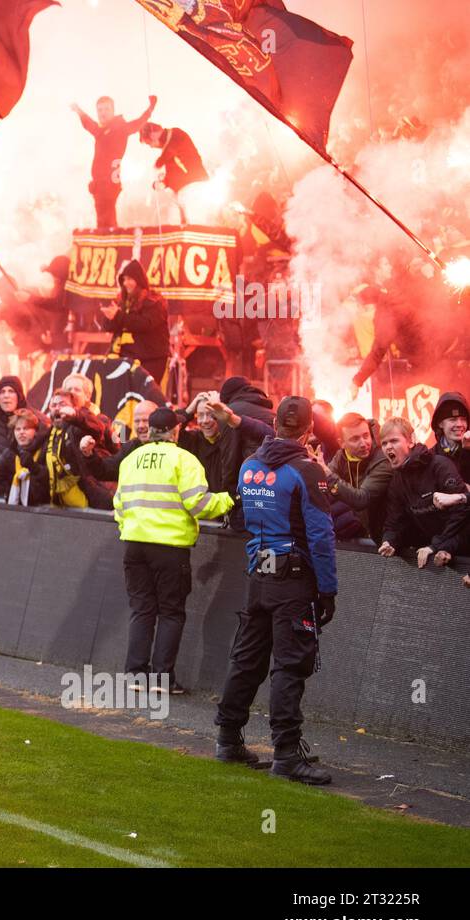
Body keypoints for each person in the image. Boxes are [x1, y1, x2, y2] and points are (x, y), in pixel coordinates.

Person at [214, 397, 337, 786]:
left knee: (247, 659)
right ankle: (286, 753)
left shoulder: (250, 467)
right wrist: (328, 589)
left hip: (258, 573)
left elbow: (243, 519)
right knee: (290, 665)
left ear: (275, 425)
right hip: (293, 578)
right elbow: (320, 535)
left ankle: (228, 739)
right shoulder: (306, 470)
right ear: (309, 430)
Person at [114, 407, 233, 694]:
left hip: (134, 546)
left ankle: (135, 676)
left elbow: (118, 504)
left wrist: (131, 528)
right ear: (175, 431)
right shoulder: (184, 459)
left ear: (150, 430)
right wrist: (230, 499)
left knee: (142, 610)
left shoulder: (131, 460)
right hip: (170, 548)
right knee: (170, 612)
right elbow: (199, 504)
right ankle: (162, 679)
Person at [376, 417, 469, 569]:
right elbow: (395, 521)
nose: (388, 447)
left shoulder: (439, 465)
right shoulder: (397, 480)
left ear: (411, 441)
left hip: (462, 548)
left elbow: (463, 512)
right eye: (384, 443)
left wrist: (438, 545)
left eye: (394, 441)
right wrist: (389, 541)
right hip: (438, 553)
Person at [71, 95, 158, 228]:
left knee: (107, 219)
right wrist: (79, 111)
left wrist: (151, 108)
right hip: (100, 184)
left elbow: (138, 123)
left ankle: (111, 244)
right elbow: (89, 124)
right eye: (99, 110)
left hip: (109, 182)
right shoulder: (100, 131)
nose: (103, 113)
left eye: (106, 109)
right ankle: (109, 243)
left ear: (113, 111)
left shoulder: (120, 128)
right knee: (104, 219)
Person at [314, 412, 391, 542]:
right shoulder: (341, 456)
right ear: (342, 443)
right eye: (355, 439)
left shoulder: (382, 460)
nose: (363, 443)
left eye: (366, 436)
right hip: (360, 533)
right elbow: (323, 489)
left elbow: (361, 499)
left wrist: (327, 475)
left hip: (386, 536)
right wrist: (315, 470)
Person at [101, 260, 170, 384]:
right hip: (126, 358)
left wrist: (118, 316)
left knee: (146, 397)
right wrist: (109, 318)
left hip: (151, 359)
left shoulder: (154, 301)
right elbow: (111, 327)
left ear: (139, 280)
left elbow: (145, 324)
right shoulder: (122, 301)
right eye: (124, 279)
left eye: (130, 279)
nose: (126, 283)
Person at [139, 122, 208, 223]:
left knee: (197, 224)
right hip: (185, 197)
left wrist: (157, 164)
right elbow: (173, 174)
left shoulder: (176, 134)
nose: (152, 147)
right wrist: (163, 183)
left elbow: (170, 150)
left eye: (150, 143)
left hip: (196, 188)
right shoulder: (167, 149)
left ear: (153, 135)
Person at [0, 408, 46, 506]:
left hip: (42, 511)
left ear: (36, 431)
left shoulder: (45, 450)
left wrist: (34, 467)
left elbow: (50, 480)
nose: (21, 432)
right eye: (17, 429)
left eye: (26, 428)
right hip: (16, 511)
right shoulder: (10, 453)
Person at [429, 392, 470, 488]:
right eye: (453, 419)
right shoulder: (430, 458)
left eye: (463, 419)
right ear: (440, 424)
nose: (459, 424)